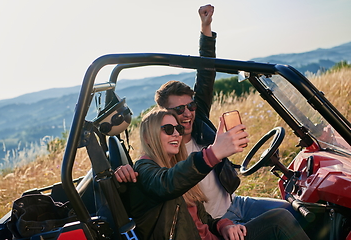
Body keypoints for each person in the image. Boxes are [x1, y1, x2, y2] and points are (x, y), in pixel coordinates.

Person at [115, 4, 300, 225]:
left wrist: (206, 27)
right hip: (216, 222)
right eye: (179, 109)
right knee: (281, 223)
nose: (188, 113)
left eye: (191, 106)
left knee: (293, 211)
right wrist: (123, 171)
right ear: (165, 115)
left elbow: (206, 74)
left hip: (236, 202)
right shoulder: (164, 151)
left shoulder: (198, 118)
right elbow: (156, 177)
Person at [120, 109, 309, 240]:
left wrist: (224, 226)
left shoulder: (173, 168)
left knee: (281, 215)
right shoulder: (143, 170)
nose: (176, 134)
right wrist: (213, 153)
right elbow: (166, 184)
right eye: (168, 129)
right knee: (279, 221)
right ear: (148, 136)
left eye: (178, 129)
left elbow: (204, 220)